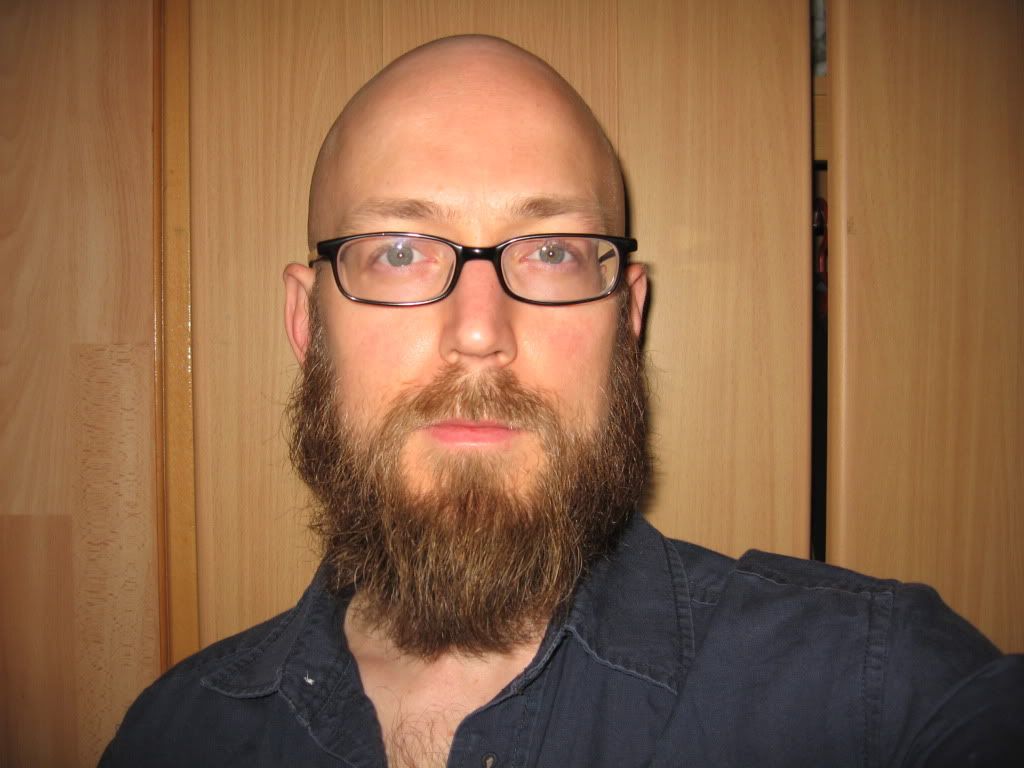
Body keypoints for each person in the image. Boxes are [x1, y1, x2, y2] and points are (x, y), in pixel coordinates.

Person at [102, 35, 1020, 767]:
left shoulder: (877, 691)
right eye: (398, 251)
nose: (478, 331)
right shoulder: (175, 735)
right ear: (308, 321)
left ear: (629, 316)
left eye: (551, 253)